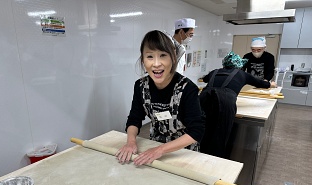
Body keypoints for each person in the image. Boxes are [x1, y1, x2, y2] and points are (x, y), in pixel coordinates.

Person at [116, 30, 205, 166]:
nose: (156, 64)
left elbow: (196, 131)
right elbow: (134, 118)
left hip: (183, 152)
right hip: (153, 147)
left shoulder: (187, 88)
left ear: (173, 57)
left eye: (163, 55)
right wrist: (131, 142)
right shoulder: (141, 86)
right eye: (150, 56)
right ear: (143, 59)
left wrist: (160, 150)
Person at [199, 51, 277, 158]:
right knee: (219, 136)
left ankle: (197, 157)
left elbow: (204, 79)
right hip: (225, 102)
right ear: (239, 65)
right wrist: (270, 84)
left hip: (203, 99)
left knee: (201, 131)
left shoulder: (215, 71)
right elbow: (260, 83)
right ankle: (215, 163)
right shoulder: (242, 74)